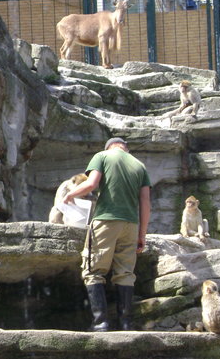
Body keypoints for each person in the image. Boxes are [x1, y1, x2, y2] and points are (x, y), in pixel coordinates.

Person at [63, 137, 151, 331]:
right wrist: (142, 234)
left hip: (106, 220)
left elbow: (92, 184)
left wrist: (70, 195)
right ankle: (126, 324)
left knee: (93, 270)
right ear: (125, 148)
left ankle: (101, 323)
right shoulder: (139, 165)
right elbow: (145, 202)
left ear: (109, 147)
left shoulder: (101, 156)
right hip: (131, 225)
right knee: (125, 273)